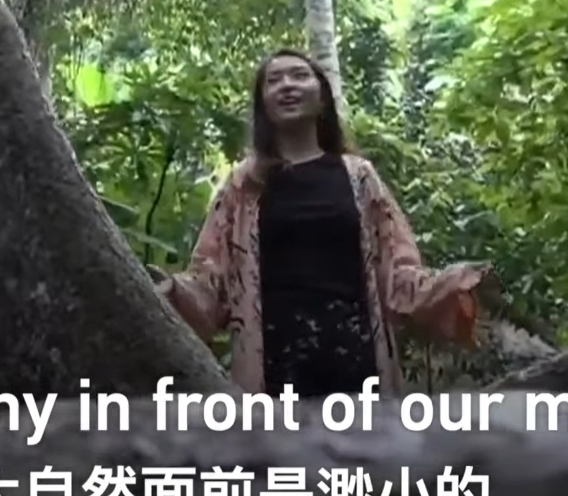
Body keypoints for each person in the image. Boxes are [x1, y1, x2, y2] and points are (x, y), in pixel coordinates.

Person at [154, 49, 487, 398]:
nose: (287, 85)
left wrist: (452, 286)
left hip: (358, 358)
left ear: (323, 96)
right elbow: (212, 275)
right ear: (262, 104)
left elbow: (398, 269)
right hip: (273, 366)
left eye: (299, 75)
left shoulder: (359, 176)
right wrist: (174, 292)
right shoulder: (244, 184)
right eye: (274, 80)